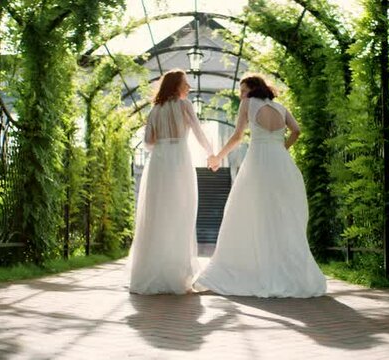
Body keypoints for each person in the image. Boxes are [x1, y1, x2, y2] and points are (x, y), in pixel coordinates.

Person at [194, 74, 327, 298]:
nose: (240, 95)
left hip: (258, 163)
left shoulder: (248, 103)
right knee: (282, 216)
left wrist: (218, 157)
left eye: (242, 90)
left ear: (253, 89)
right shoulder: (281, 107)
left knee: (246, 213)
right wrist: (282, 148)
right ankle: (284, 270)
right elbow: (296, 131)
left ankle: (254, 268)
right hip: (283, 164)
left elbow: (237, 136)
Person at [128, 69, 215, 295]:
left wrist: (162, 139)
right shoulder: (184, 106)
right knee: (181, 213)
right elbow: (197, 131)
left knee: (157, 214)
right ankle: (178, 275)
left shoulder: (155, 110)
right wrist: (212, 154)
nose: (189, 87)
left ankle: (151, 272)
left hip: (158, 162)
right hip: (179, 161)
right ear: (176, 85)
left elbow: (148, 141)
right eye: (186, 83)